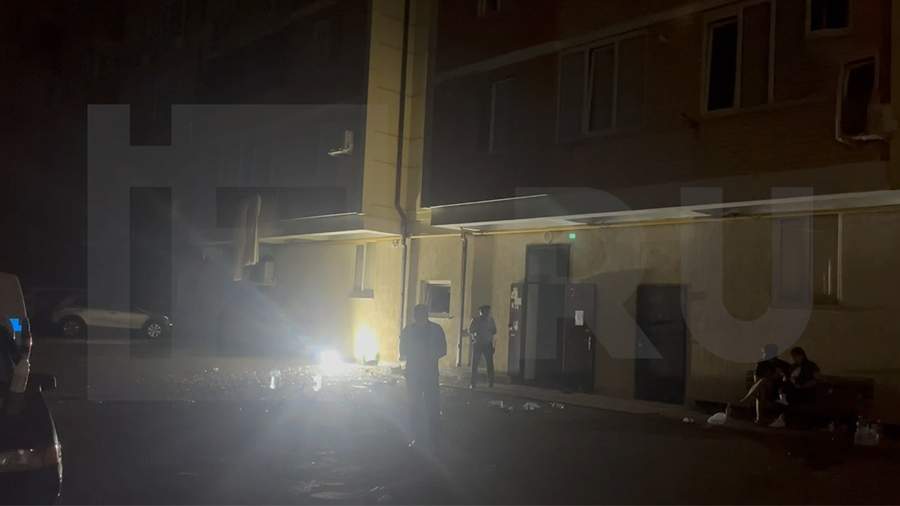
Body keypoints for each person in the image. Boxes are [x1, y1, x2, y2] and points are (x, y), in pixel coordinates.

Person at [399, 304, 447, 450]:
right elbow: (403, 350)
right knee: (416, 405)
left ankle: (432, 437)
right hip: (416, 373)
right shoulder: (410, 330)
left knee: (431, 405)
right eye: (418, 314)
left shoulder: (434, 330)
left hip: (427, 372)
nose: (419, 317)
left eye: (421, 314)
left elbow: (442, 349)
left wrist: (428, 356)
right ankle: (418, 437)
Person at [468, 305, 497, 388]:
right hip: (479, 344)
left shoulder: (490, 320)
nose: (486, 313)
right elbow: (470, 331)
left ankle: (490, 382)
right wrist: (474, 337)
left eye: (487, 311)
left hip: (486, 344)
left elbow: (494, 333)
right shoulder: (476, 320)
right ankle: (473, 383)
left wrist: (493, 346)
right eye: (485, 311)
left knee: (489, 364)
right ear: (481, 312)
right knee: (476, 364)